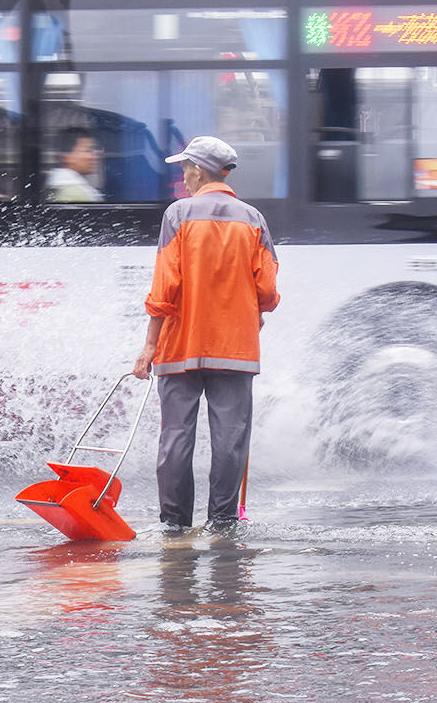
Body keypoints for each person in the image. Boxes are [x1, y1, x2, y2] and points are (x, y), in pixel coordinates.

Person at [131, 136, 280, 534]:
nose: (183, 175)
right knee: (230, 438)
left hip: (180, 344)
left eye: (185, 168)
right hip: (235, 346)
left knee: (176, 435)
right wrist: (256, 312)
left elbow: (164, 288)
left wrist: (149, 345)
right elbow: (267, 288)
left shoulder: (178, 215)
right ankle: (223, 521)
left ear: (198, 170)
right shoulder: (253, 219)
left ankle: (175, 523)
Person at [46, 126, 103, 202]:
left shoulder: (56, 185)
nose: (94, 156)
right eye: (88, 150)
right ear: (66, 156)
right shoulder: (74, 193)